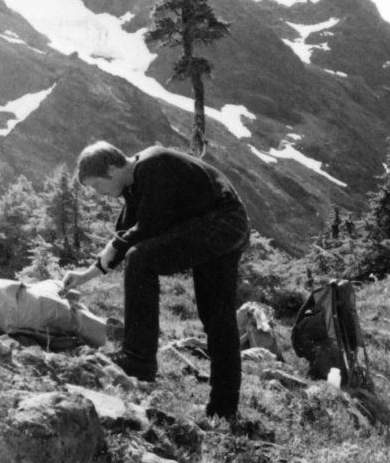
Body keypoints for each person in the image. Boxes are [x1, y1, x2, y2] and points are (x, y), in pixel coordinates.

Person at [61, 141, 250, 419]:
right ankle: (223, 408)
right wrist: (84, 276)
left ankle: (139, 359)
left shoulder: (153, 165)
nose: (100, 194)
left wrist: (121, 245)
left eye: (97, 186)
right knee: (216, 316)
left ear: (112, 169)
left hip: (223, 222)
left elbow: (149, 228)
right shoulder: (133, 185)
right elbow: (122, 239)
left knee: (142, 258)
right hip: (221, 226)